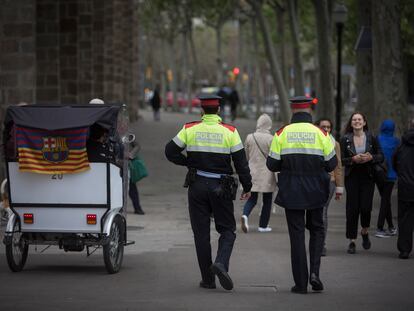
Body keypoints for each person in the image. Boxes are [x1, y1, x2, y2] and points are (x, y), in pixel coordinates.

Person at [165, 95, 252, 291]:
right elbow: (241, 163)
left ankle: (208, 280)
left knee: (201, 234)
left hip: (197, 186)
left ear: (202, 111)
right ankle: (221, 263)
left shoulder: (189, 129)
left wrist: (188, 162)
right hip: (221, 186)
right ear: (219, 110)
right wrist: (248, 187)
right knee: (228, 230)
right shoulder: (231, 131)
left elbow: (169, 151)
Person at [266, 96, 337, 294]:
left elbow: (271, 164)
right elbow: (332, 164)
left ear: (292, 111)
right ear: (309, 112)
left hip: (292, 191)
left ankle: (300, 283)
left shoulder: (282, 134)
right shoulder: (321, 134)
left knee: (296, 236)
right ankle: (315, 273)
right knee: (316, 230)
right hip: (317, 191)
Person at [340, 112, 384, 254]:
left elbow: (381, 156)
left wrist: (371, 157)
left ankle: (364, 231)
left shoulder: (372, 137)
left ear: (364, 122)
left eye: (359, 119)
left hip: (368, 176)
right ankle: (352, 240)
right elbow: (340, 160)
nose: (357, 121)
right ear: (351, 123)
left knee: (365, 207)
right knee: (352, 209)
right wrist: (352, 160)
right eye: (354, 119)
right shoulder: (345, 139)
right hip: (352, 177)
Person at [241, 114, 276, 233]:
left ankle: (245, 215)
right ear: (269, 125)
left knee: (252, 198)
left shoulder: (250, 137)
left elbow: (246, 155)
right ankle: (263, 226)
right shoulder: (271, 139)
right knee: (267, 200)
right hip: (267, 172)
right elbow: (274, 157)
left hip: (252, 171)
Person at [315, 118, 344, 256]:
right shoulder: (312, 142)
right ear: (317, 128)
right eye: (323, 127)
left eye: (328, 127)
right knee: (314, 212)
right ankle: (315, 241)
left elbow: (338, 166)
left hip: (330, 181)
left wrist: (339, 186)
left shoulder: (335, 144)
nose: (326, 129)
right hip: (314, 181)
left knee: (322, 211)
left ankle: (321, 245)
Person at [393, 118, 414, 259]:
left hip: (406, 186)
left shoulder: (402, 145)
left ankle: (404, 249)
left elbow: (395, 162)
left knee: (405, 219)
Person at [375, 119, 399, 238]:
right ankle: (380, 227)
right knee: (385, 200)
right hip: (391, 175)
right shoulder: (396, 141)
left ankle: (390, 226)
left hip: (379, 173)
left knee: (385, 200)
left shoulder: (377, 139)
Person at [129, 141, 145, 215]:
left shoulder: (127, 134)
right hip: (116, 163)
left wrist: (130, 155)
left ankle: (137, 208)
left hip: (126, 164)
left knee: (132, 188)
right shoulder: (111, 132)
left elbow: (137, 145)